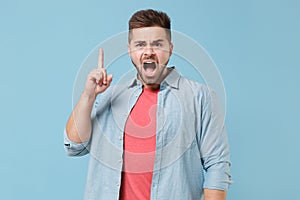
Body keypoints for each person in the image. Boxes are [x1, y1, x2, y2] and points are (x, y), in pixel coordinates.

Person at [64, 9, 232, 200]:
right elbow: (74, 145)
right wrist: (88, 95)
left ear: (170, 48)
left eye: (157, 44)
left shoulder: (200, 97)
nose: (149, 51)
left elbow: (217, 166)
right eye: (140, 44)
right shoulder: (110, 95)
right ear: (130, 50)